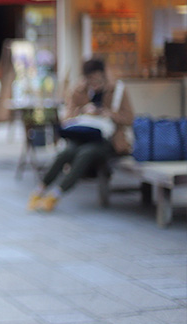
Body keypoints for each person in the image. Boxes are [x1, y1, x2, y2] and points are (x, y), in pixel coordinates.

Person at [27, 58, 134, 212]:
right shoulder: (78, 90)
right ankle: (39, 190)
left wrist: (108, 114)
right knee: (66, 153)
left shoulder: (117, 89)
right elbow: (66, 118)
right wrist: (83, 110)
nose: (94, 83)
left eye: (97, 79)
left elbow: (130, 118)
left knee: (85, 153)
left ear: (104, 75)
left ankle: (55, 195)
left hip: (107, 140)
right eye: (90, 79)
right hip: (81, 135)